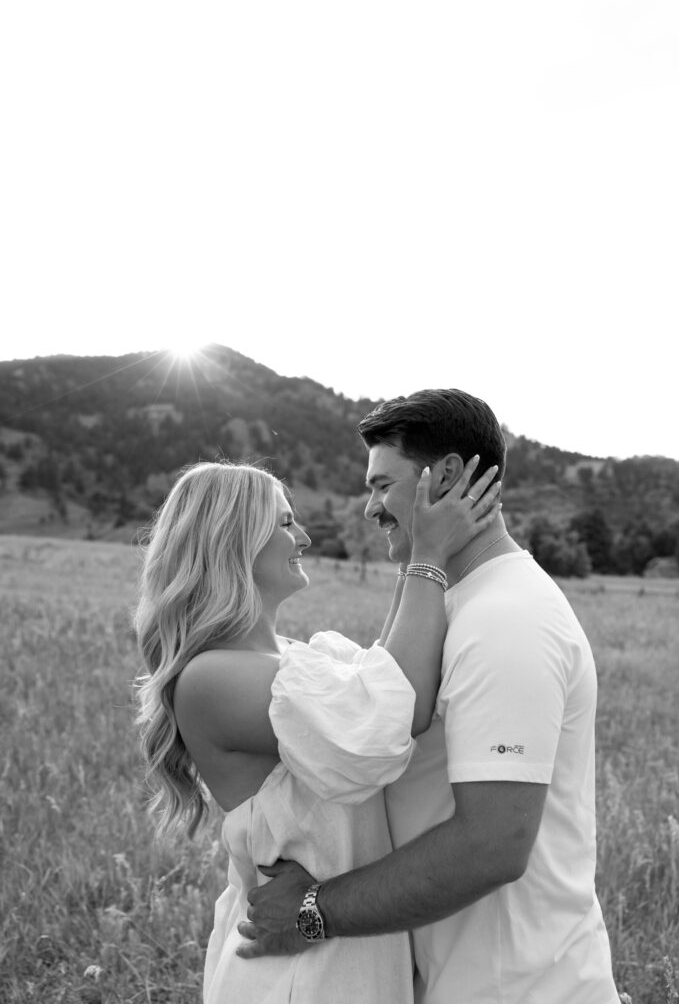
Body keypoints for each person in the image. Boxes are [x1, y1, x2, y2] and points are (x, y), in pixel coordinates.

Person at [239, 389, 622, 1004]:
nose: (370, 509)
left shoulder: (508, 619)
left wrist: (313, 910)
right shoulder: (449, 603)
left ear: (444, 477)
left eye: (383, 485)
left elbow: (492, 844)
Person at [134, 455, 500, 1003]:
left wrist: (409, 550)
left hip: (335, 951)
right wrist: (427, 554)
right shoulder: (214, 677)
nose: (302, 536)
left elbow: (383, 680)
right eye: (284, 523)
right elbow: (392, 715)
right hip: (295, 974)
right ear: (232, 541)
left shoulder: (286, 661)